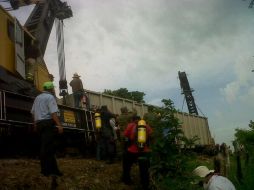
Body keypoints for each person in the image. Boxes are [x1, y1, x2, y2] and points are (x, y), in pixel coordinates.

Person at [31, 81, 64, 188]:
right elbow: (53, 113)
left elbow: (33, 112)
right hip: (47, 124)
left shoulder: (37, 98)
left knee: (48, 147)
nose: (54, 90)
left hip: (40, 124)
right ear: (50, 89)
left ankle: (55, 170)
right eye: (53, 88)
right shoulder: (50, 97)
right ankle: (45, 171)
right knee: (47, 148)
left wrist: (35, 124)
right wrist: (59, 125)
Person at [122, 118, 152, 190]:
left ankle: (127, 180)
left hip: (132, 151)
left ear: (133, 120)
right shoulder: (147, 126)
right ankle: (145, 185)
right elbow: (151, 135)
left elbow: (125, 135)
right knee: (144, 169)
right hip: (144, 151)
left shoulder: (131, 125)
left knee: (126, 165)